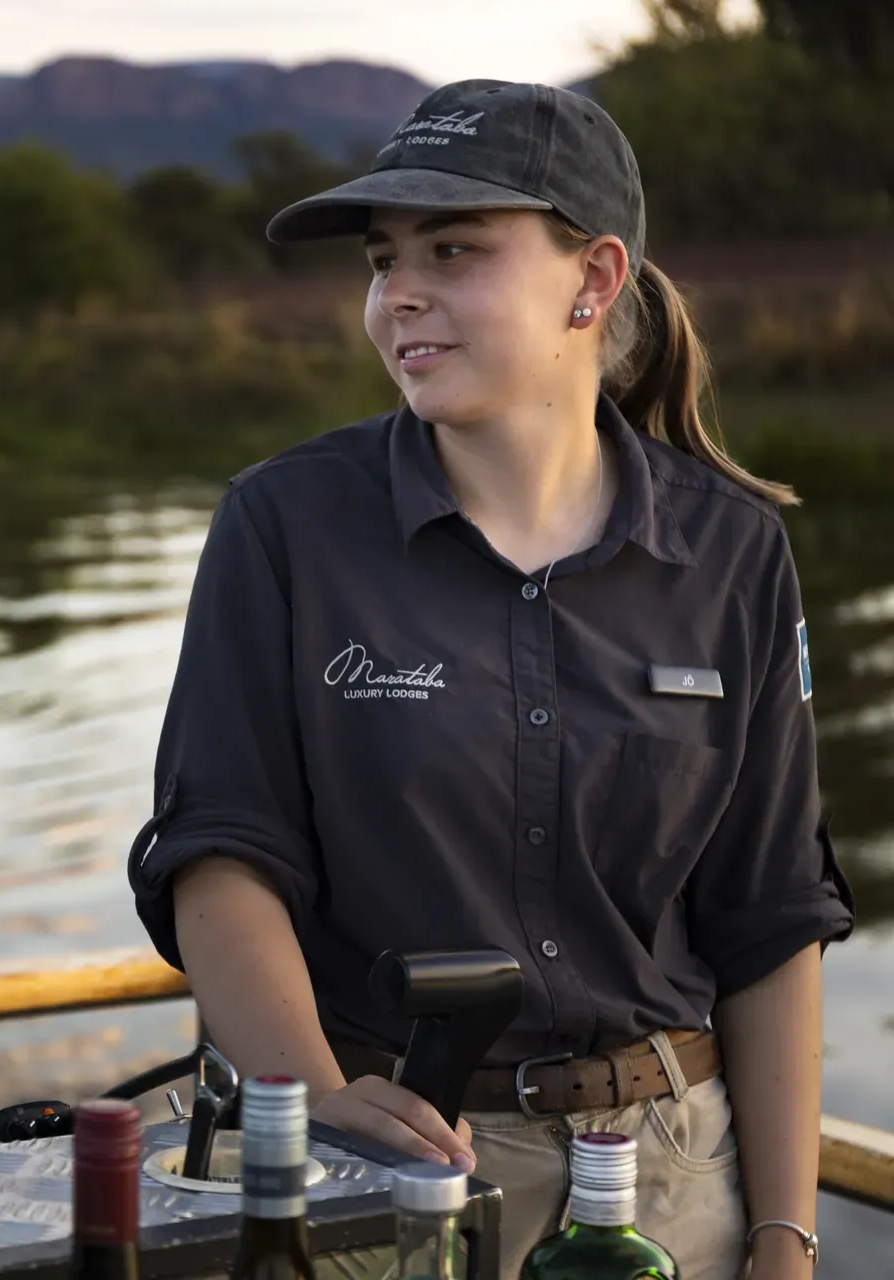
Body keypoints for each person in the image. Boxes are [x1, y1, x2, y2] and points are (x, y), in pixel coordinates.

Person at [127, 82, 851, 1280]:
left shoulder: (732, 552)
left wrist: (784, 1234)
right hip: (383, 1170)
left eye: (454, 250)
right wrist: (311, 1100)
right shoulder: (284, 523)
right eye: (381, 260)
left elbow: (772, 917)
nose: (396, 294)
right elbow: (220, 853)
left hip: (678, 1174)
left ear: (595, 277)